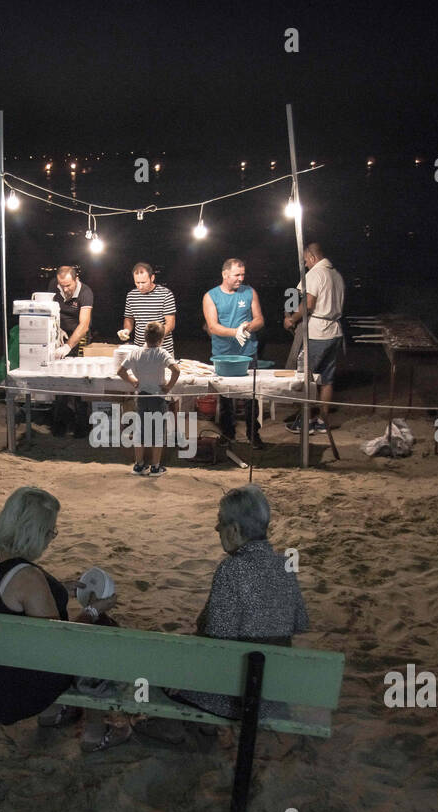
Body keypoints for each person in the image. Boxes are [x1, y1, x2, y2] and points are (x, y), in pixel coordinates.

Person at [0, 486, 131, 751]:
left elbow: (3, 599)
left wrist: (59, 589)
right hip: (14, 690)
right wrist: (95, 610)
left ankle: (53, 713)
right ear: (34, 533)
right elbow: (57, 642)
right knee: (99, 633)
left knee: (32, 641)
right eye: (50, 531)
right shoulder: (28, 577)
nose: (52, 538)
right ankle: (95, 733)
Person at [167, 485, 308, 720]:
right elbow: (299, 623)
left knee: (161, 671)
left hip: (239, 696)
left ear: (234, 530)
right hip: (273, 692)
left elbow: (217, 639)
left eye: (220, 522)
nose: (216, 528)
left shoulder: (231, 569)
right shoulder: (285, 566)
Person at [202, 258, 266, 449]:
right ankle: (228, 433)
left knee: (250, 396)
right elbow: (212, 326)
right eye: (237, 275)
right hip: (222, 353)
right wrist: (234, 332)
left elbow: (260, 319)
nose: (241, 278)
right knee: (225, 396)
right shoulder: (210, 296)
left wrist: (246, 328)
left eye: (243, 274)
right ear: (225, 274)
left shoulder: (249, 292)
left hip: (248, 352)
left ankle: (253, 433)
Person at [283, 242, 345, 433]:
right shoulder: (337, 275)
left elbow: (308, 304)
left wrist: (291, 318)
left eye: (306, 261)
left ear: (312, 257)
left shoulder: (315, 273)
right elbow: (294, 296)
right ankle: (322, 420)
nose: (305, 265)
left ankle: (306, 420)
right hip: (335, 331)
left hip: (318, 332)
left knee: (306, 377)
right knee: (326, 379)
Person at [118, 321, 181, 476]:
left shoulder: (135, 353)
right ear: (161, 339)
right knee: (157, 432)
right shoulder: (161, 353)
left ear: (144, 337)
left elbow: (121, 371)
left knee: (140, 431)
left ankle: (138, 465)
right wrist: (168, 386)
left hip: (142, 397)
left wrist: (132, 381)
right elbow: (176, 370)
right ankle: (155, 466)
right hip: (157, 398)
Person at [48, 266, 94, 437]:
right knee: (59, 380)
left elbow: (84, 325)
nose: (65, 289)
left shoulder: (85, 292)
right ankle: (60, 422)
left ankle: (82, 424)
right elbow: (49, 311)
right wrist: (56, 331)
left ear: (76, 280)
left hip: (79, 336)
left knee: (79, 380)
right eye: (62, 285)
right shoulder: (54, 285)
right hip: (59, 334)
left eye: (68, 285)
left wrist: (69, 346)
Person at [119, 262, 176, 357]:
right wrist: (126, 330)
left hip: (162, 350)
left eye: (143, 282)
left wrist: (154, 340)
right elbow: (129, 318)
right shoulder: (131, 295)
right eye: (137, 283)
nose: (140, 286)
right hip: (140, 350)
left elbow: (170, 324)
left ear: (152, 278)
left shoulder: (166, 294)